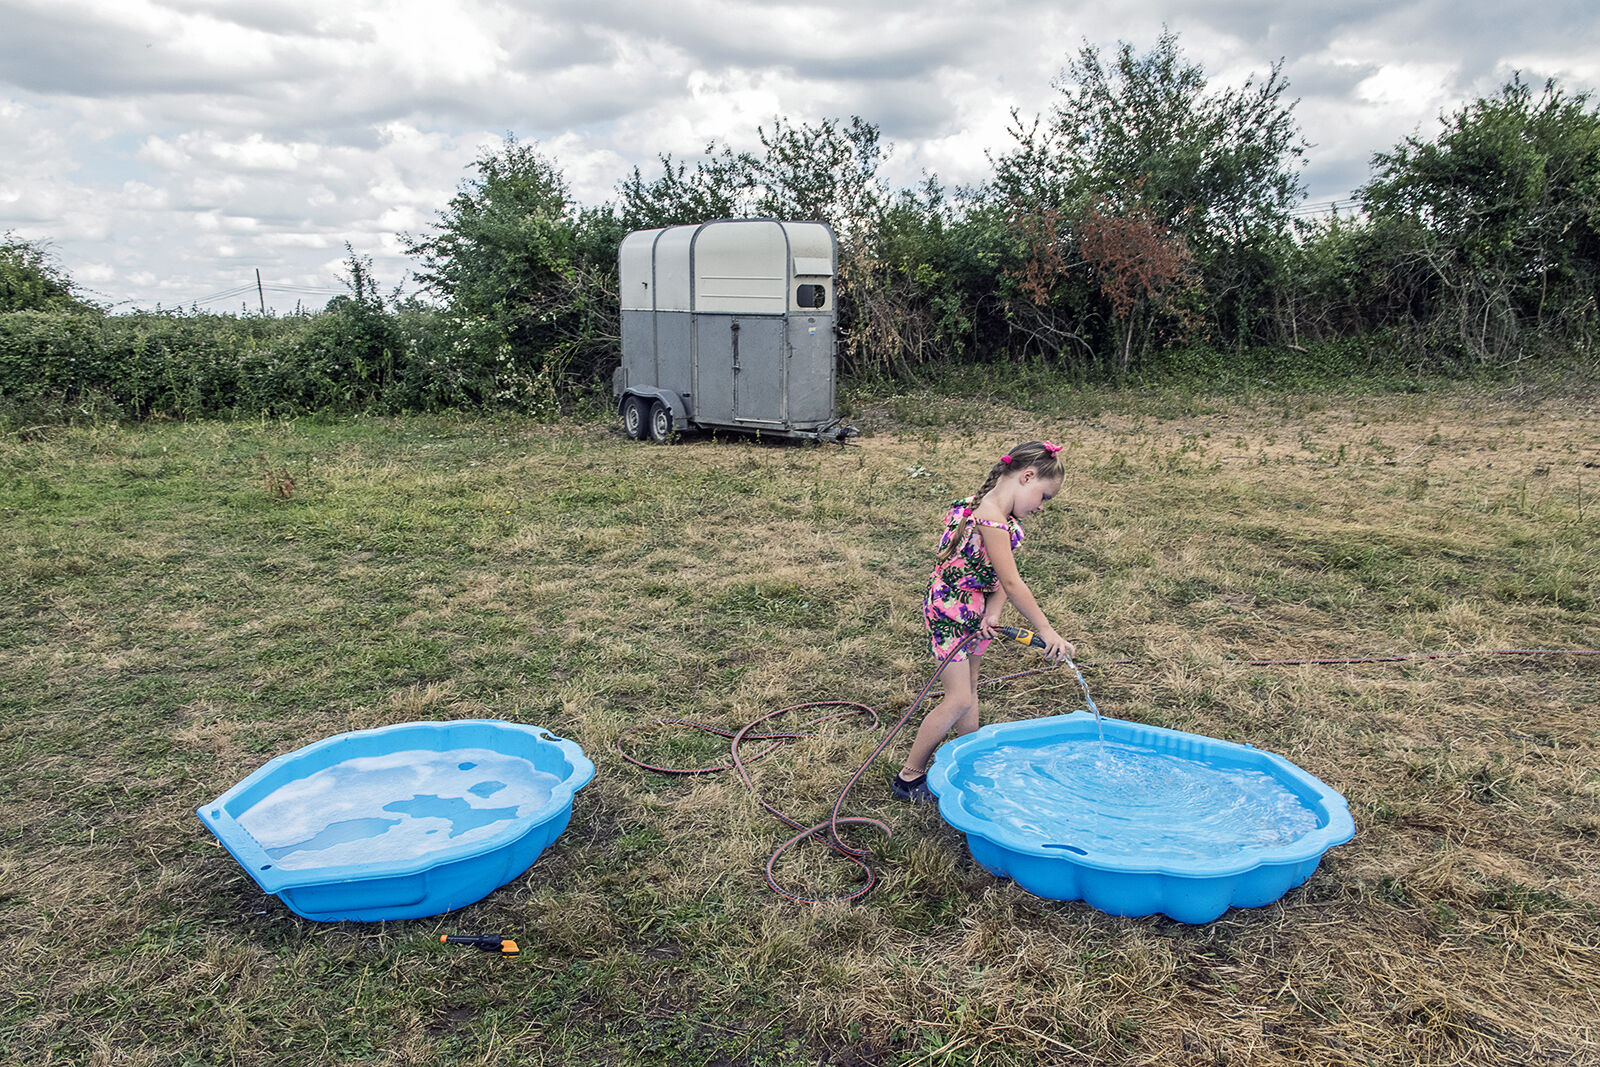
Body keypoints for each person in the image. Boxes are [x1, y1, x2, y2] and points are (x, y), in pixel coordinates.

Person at [894, 440, 1077, 801]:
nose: (1041, 507)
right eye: (1044, 497)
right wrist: (1046, 629)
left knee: (970, 690)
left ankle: (968, 761)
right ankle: (909, 777)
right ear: (1027, 477)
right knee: (959, 698)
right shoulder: (990, 518)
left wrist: (992, 611)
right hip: (951, 610)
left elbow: (998, 581)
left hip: (975, 611)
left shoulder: (993, 513)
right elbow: (1012, 581)